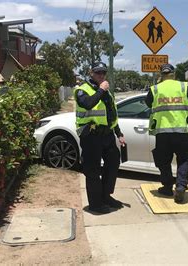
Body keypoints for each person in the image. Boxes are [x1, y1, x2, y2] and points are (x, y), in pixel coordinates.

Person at [145, 63, 188, 203]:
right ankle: (181, 186)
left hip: (162, 133)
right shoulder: (184, 87)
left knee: (163, 161)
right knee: (184, 159)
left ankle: (166, 187)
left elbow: (148, 103)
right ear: (174, 74)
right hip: (181, 132)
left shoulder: (155, 89)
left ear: (161, 75)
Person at [75, 62, 126, 214]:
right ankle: (95, 204)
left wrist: (119, 133)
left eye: (103, 73)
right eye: (98, 73)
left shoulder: (107, 93)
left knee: (113, 163)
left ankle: (105, 196)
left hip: (107, 135)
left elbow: (111, 114)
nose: (101, 76)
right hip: (91, 135)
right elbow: (88, 104)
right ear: (91, 73)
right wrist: (101, 90)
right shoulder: (81, 90)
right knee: (92, 170)